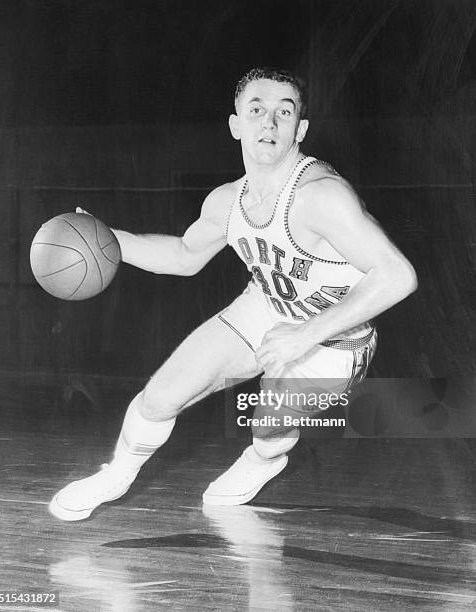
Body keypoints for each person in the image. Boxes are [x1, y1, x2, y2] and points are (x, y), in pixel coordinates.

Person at [49, 67, 417, 521]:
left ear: (300, 130)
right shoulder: (226, 201)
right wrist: (109, 240)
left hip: (336, 336)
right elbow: (185, 255)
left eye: (285, 113)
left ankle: (264, 460)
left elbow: (397, 275)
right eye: (257, 110)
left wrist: (305, 335)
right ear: (235, 124)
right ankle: (116, 474)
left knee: (268, 424)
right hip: (266, 305)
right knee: (162, 395)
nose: (270, 123)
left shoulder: (321, 197)